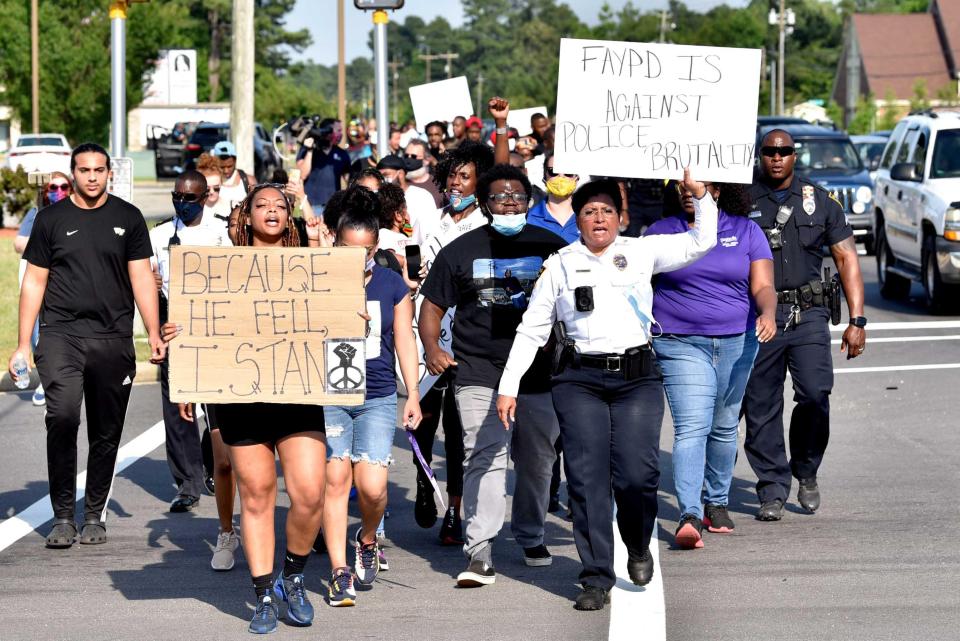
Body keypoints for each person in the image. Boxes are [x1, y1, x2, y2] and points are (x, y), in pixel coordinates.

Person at [496, 172, 718, 610]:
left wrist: (701, 195)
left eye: (606, 211)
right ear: (577, 220)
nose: (599, 219)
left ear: (620, 217)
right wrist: (509, 387)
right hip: (579, 381)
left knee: (637, 476)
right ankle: (596, 576)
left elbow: (700, 241)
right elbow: (533, 329)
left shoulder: (640, 251)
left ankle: (637, 545)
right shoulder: (560, 263)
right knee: (585, 478)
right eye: (589, 212)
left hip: (637, 378)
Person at [166, 184, 329, 634]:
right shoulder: (218, 269)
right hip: (240, 398)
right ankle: (262, 595)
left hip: (297, 393)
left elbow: (341, 317)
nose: (272, 211)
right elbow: (195, 325)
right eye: (263, 205)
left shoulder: (314, 266)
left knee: (310, 493)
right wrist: (182, 342)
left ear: (289, 216)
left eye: (280, 205)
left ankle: (293, 576)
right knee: (256, 496)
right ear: (246, 215)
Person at [9, 142, 165, 549]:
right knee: (61, 417)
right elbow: (34, 282)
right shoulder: (50, 219)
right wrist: (23, 344)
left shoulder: (128, 218)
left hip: (113, 338)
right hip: (61, 334)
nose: (92, 177)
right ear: (73, 173)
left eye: (99, 170)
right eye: (84, 170)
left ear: (109, 173)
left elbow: (142, 279)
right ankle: (63, 515)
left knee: (105, 430)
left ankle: (94, 512)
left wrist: (154, 332)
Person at [420, 163, 567, 587]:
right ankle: (479, 549)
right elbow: (431, 304)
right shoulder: (460, 250)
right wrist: (432, 348)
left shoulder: (552, 246)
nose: (509, 203)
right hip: (478, 370)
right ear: (485, 204)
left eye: (518, 197)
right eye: (501, 197)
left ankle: (531, 533)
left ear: (530, 202)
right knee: (484, 455)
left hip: (538, 374)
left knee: (538, 461)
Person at [742, 130, 867, 521]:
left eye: (784, 151)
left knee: (815, 394)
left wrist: (857, 319)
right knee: (761, 404)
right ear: (760, 154)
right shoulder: (740, 198)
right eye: (769, 151)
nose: (776, 157)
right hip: (759, 314)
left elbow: (846, 258)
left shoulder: (821, 200)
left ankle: (806, 469)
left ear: (795, 156)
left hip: (808, 312)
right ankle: (772, 489)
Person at [645, 179, 777, 549]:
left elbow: (764, 284)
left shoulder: (745, 230)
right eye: (682, 186)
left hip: (738, 340)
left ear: (718, 191)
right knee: (691, 427)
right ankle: (689, 512)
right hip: (678, 341)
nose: (689, 191)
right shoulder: (660, 232)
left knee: (723, 426)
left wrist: (768, 312)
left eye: (699, 185)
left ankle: (716, 501)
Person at [321, 199, 422, 606]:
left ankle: (366, 538)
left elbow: (403, 340)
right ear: (335, 243)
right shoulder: (317, 278)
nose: (356, 257)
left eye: (364, 250)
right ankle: (339, 571)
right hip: (329, 395)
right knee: (335, 482)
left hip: (378, 395)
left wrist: (412, 393)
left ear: (376, 246)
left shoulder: (390, 283)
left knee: (373, 487)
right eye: (348, 249)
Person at [408, 142, 495, 545]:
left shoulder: (487, 222)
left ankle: (455, 510)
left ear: (480, 183)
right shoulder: (431, 219)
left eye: (466, 176)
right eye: (452, 176)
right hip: (426, 326)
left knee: (461, 430)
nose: (457, 183)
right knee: (422, 418)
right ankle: (425, 480)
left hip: (467, 332)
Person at [149, 171, 230, 515]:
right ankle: (187, 483)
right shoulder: (159, 235)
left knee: (217, 406)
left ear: (204, 198)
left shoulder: (222, 232)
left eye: (190, 198)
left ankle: (217, 464)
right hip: (176, 323)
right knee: (176, 406)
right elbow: (147, 282)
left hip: (216, 322)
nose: (182, 204)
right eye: (177, 197)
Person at [14, 171, 73, 407]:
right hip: (41, 282)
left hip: (68, 285)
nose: (58, 191)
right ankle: (47, 381)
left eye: (63, 186)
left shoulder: (78, 211)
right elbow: (19, 243)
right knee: (40, 333)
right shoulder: (37, 213)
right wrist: (47, 241)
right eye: (52, 187)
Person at [296, 118, 351, 214]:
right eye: (338, 130)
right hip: (311, 206)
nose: (340, 134)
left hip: (334, 206)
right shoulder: (308, 150)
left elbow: (349, 179)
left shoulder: (342, 154)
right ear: (328, 131)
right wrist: (309, 150)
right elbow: (302, 175)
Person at [526, 151, 581, 244]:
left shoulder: (589, 216)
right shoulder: (528, 218)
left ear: (576, 178)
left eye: (568, 172)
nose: (561, 177)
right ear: (544, 177)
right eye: (553, 171)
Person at [376, 154, 439, 232]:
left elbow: (428, 228)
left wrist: (407, 232)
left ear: (401, 174)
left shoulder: (421, 196)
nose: (382, 180)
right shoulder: (380, 198)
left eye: (386, 175)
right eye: (379, 177)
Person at [213, 141, 256, 212]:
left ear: (235, 160)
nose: (226, 171)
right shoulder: (210, 181)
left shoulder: (249, 180)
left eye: (229, 166)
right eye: (222, 167)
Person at [376, 182, 412, 258]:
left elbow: (410, 231)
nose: (409, 215)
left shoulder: (405, 235)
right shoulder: (384, 234)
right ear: (398, 215)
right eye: (406, 211)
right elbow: (389, 257)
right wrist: (410, 261)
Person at [404, 139, 444, 206]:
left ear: (426, 160)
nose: (409, 159)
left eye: (414, 156)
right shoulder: (399, 183)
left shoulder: (437, 185)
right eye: (406, 156)